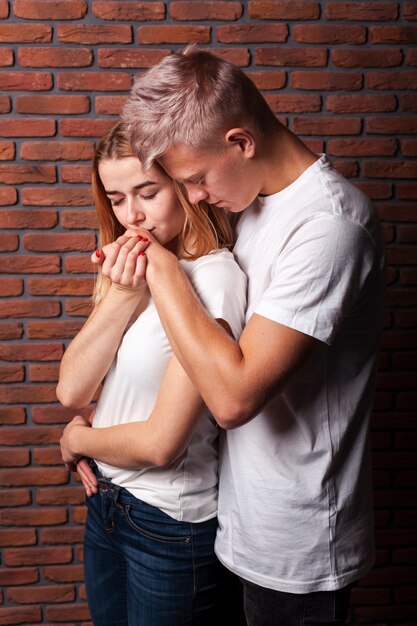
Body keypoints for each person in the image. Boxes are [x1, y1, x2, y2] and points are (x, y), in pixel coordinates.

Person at [116, 46, 386, 626]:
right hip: (237, 523)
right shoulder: (255, 204)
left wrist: (162, 269)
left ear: (240, 142)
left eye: (196, 178)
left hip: (300, 547)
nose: (193, 198)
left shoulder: (329, 228)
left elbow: (233, 396)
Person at [57, 121, 247, 626]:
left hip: (168, 525)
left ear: (183, 189)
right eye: (117, 199)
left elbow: (163, 443)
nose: (132, 216)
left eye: (147, 192)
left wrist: (78, 443)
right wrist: (120, 295)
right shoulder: (133, 269)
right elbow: (72, 389)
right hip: (107, 506)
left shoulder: (215, 279)